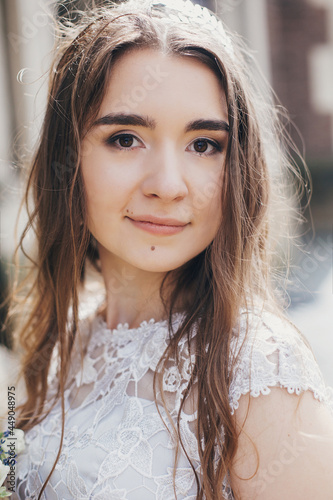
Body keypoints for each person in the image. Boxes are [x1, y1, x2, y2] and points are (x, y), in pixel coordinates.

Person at [9, 0, 333, 498]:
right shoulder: (62, 343)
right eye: (124, 138)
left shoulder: (257, 367)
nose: (167, 184)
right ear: (67, 157)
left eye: (204, 144)